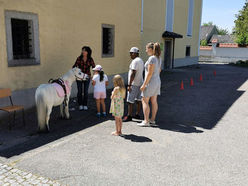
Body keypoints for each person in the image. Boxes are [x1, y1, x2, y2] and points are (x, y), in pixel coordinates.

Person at [138, 42, 162, 127]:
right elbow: (159, 70)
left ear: (151, 49)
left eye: (146, 49)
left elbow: (149, 73)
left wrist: (144, 84)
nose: (146, 51)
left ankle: (146, 121)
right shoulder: (158, 58)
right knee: (154, 101)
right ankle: (152, 120)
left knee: (144, 100)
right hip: (157, 81)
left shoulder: (152, 58)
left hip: (150, 82)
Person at [123, 47, 144, 122]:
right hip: (140, 83)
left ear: (134, 53)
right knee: (138, 100)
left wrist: (129, 85)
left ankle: (129, 116)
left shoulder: (135, 61)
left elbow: (133, 73)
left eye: (131, 53)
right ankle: (137, 114)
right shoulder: (141, 60)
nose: (130, 55)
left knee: (130, 101)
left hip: (134, 84)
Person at [73, 46, 95, 111]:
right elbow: (74, 66)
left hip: (87, 77)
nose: (83, 52)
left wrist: (93, 76)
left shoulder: (90, 59)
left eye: (84, 50)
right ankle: (80, 104)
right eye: (82, 50)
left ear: (88, 52)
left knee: (85, 91)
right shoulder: (79, 58)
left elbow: (94, 68)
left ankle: (85, 104)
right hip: (79, 77)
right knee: (79, 91)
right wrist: (75, 72)